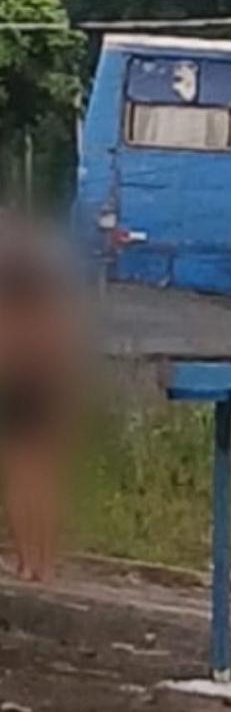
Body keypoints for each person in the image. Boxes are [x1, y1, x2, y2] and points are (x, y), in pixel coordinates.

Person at [0, 210, 82, 582]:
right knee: (47, 478)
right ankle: (46, 563)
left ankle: (25, 562)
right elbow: (65, 357)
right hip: (46, 389)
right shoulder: (50, 312)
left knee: (18, 476)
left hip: (17, 390)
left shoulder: (9, 313)